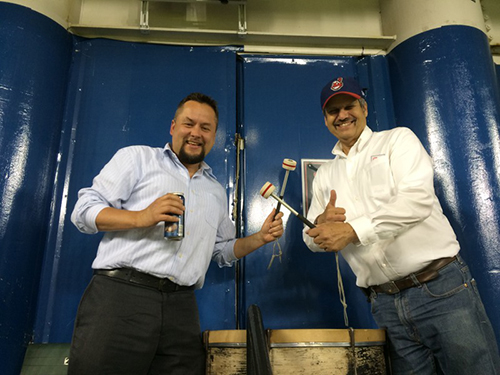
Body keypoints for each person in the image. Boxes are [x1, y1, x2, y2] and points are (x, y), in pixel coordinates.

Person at [69, 92, 284, 375]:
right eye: (189, 124)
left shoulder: (216, 192)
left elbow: (220, 251)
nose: (196, 133)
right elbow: (83, 211)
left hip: (182, 307)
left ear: (214, 135)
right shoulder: (137, 158)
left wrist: (260, 238)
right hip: (121, 296)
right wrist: (142, 217)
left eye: (205, 128)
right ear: (173, 127)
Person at [303, 77, 500, 374]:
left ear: (364, 108)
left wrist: (352, 230)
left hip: (440, 290)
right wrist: (320, 225)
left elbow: (417, 201)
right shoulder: (324, 176)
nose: (342, 115)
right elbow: (310, 240)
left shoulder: (398, 140)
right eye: (333, 111)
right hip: (384, 304)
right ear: (326, 119)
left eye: (349, 106)